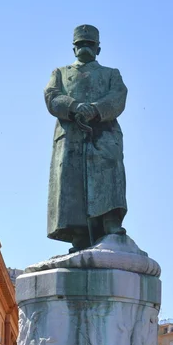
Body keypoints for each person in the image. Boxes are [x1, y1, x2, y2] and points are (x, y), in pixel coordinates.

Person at [45, 24, 128, 252]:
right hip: (71, 135)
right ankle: (78, 237)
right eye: (80, 44)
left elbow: (118, 97)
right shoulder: (60, 73)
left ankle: (111, 223)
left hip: (103, 133)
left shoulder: (111, 74)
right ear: (73, 48)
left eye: (89, 44)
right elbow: (51, 96)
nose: (85, 48)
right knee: (71, 184)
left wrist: (96, 109)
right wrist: (74, 106)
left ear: (98, 49)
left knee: (109, 177)